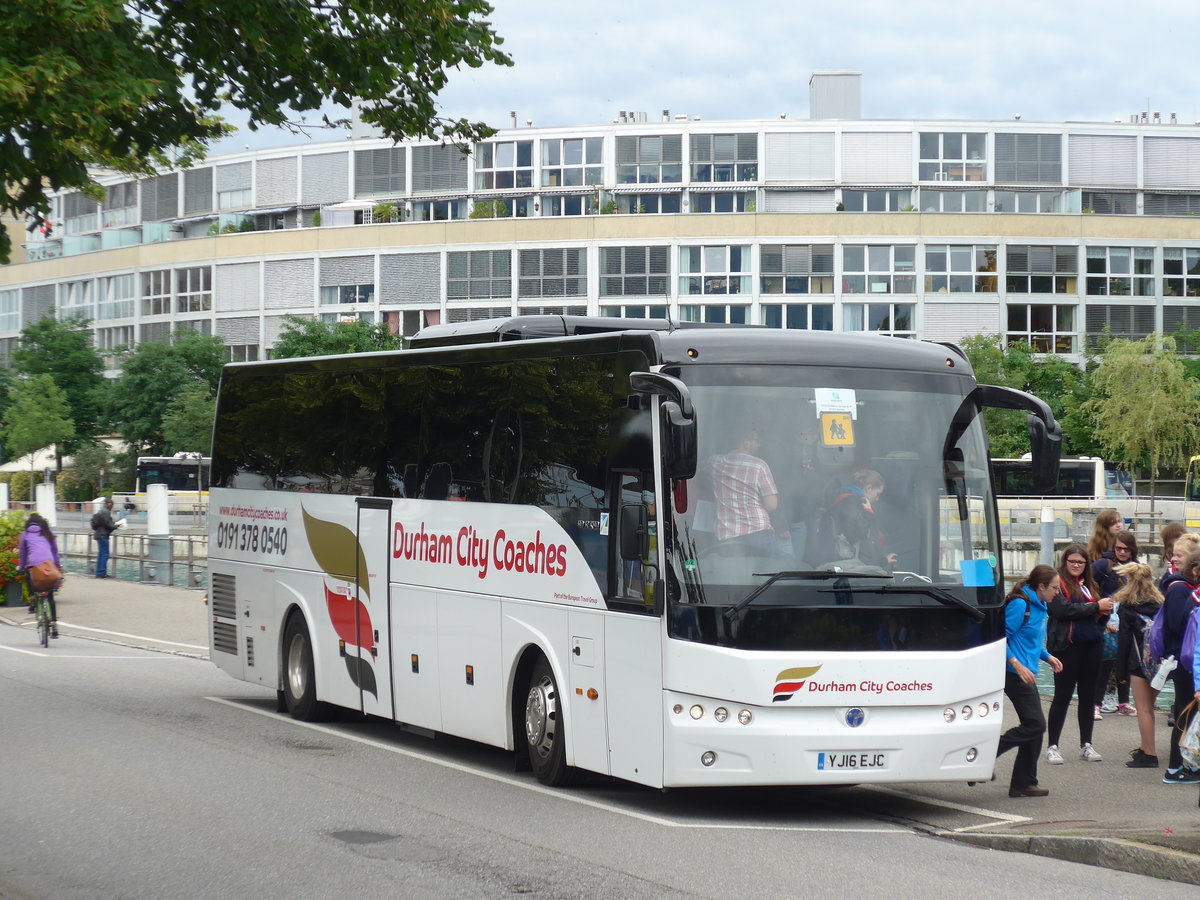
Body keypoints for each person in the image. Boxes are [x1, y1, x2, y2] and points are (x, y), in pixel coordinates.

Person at [997, 564, 1063, 797]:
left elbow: (1030, 641)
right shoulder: (1020, 604)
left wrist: (1047, 657)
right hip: (1014, 672)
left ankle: (1023, 783)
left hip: (1027, 671)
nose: (1058, 592)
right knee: (1036, 724)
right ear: (1041, 586)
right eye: (1055, 588)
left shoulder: (1041, 603)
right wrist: (1015, 663)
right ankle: (988, 754)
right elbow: (999, 638)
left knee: (1034, 727)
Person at [1044, 543, 1112, 765]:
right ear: (1064, 563)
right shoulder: (1058, 585)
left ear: (1086, 565)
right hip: (1067, 647)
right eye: (1072, 561)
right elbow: (1062, 611)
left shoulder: (1089, 585)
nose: (1076, 565)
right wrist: (1095, 607)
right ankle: (1053, 746)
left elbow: (1094, 612)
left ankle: (1086, 744)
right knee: (1062, 696)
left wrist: (1102, 613)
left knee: (1088, 696)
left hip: (1092, 645)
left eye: (1080, 562)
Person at [1112, 562, 1164, 768]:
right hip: (1160, 664)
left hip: (1138, 663)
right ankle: (1144, 748)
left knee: (1143, 709)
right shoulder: (1160, 604)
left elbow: (1124, 642)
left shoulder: (1128, 607)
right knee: (1150, 707)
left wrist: (1120, 672)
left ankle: (1149, 754)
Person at [702, 425, 779, 556]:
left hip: (728, 537)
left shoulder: (714, 462)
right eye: (756, 440)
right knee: (766, 573)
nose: (758, 445)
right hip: (759, 532)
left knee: (734, 575)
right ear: (746, 442)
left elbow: (694, 471)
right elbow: (771, 505)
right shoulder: (759, 465)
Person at [1159, 548, 1200, 784]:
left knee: (1186, 714)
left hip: (1185, 660)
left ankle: (1184, 765)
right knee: (1185, 715)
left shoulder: (1192, 595)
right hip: (1188, 663)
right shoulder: (1187, 593)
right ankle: (1175, 768)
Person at [811, 468, 897, 570]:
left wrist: (883, 561)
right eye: (877, 494)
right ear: (868, 488)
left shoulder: (846, 499)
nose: (877, 499)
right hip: (851, 568)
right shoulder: (853, 502)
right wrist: (869, 514)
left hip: (844, 565)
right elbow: (855, 535)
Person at [1092, 530, 1138, 717]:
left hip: (1128, 621)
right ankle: (1095, 703)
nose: (1122, 552)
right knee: (1105, 663)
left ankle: (1123, 702)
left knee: (1125, 662)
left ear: (1132, 550)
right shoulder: (1104, 565)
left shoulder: (1136, 567)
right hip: (1106, 620)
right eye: (1118, 548)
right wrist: (1099, 609)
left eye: (1126, 549)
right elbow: (1089, 584)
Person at [19, 513, 62, 638]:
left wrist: (21, 567)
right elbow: (55, 553)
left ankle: (33, 602)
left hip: (34, 566)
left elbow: (23, 555)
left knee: (32, 580)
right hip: (49, 565)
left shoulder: (25, 535)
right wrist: (57, 567)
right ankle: (54, 626)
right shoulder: (48, 534)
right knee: (50, 596)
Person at [92, 497, 118, 578]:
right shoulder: (105, 512)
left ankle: (99, 572)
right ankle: (102, 573)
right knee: (104, 554)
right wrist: (116, 525)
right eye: (111, 504)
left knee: (101, 554)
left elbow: (105, 523)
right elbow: (108, 524)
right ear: (108, 504)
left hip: (99, 534)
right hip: (103, 535)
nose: (112, 506)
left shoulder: (101, 511)